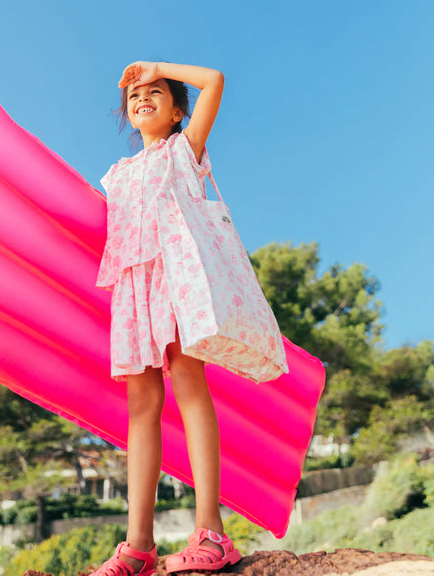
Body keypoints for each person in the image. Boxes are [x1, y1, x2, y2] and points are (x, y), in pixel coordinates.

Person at [91, 61, 283, 576]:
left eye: (156, 92)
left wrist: (157, 66)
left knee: (189, 384)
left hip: (175, 278)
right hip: (133, 287)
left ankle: (211, 532)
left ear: (178, 111)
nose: (142, 98)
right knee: (141, 406)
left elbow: (215, 80)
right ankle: (138, 546)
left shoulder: (183, 150)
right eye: (135, 96)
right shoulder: (117, 174)